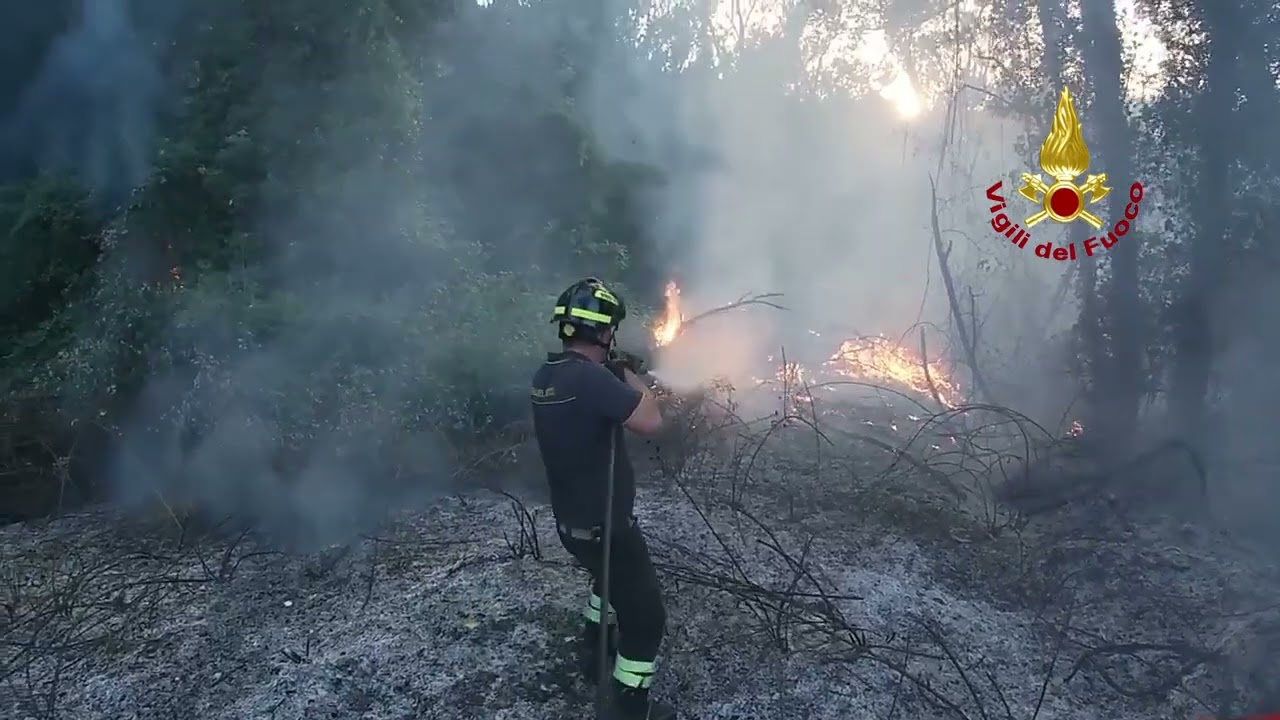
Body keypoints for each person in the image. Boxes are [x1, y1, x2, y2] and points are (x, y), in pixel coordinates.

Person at [530, 277, 676, 720]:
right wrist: (627, 373)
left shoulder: (549, 375)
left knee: (605, 582)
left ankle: (593, 655)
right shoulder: (589, 379)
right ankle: (630, 708)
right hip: (606, 526)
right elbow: (651, 420)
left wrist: (611, 373)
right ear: (603, 332)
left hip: (573, 525)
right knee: (647, 618)